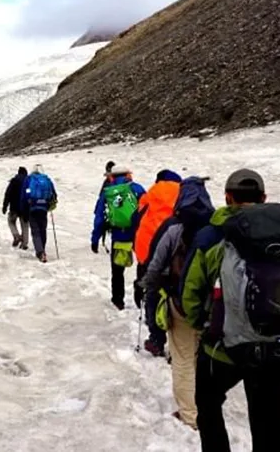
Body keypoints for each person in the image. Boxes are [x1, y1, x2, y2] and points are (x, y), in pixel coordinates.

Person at [181, 168, 280, 452]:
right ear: (263, 198)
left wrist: (204, 324)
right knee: (268, 422)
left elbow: (190, 294)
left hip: (222, 349)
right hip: (278, 348)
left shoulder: (211, 236)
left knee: (208, 404)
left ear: (227, 198)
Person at [139, 175, 215, 430]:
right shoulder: (217, 229)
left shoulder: (175, 227)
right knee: (202, 356)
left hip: (180, 302)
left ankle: (190, 415)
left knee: (182, 358)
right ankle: (206, 407)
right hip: (212, 306)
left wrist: (148, 286)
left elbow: (156, 263)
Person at [135, 169, 182, 357]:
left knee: (153, 292)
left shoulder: (151, 193)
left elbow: (136, 219)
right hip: (178, 252)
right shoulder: (184, 193)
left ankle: (156, 339)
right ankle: (178, 343)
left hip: (150, 249)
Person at [91, 164, 146, 310]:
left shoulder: (108, 192)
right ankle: (140, 294)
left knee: (117, 271)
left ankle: (118, 300)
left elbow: (99, 216)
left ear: (111, 177)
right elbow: (148, 210)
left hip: (118, 235)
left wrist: (95, 239)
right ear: (128, 174)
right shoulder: (137, 189)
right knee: (143, 266)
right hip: (137, 235)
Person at [24, 164, 58, 262]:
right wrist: (50, 203)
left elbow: (25, 193)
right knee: (42, 229)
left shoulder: (29, 179)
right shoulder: (47, 180)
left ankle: (40, 252)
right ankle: (42, 249)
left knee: (35, 231)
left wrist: (26, 205)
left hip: (33, 207)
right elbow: (54, 194)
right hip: (44, 208)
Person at [2, 166, 30, 249]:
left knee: (11, 222)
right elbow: (29, 194)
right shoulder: (28, 182)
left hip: (14, 207)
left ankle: (16, 235)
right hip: (24, 208)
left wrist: (5, 206)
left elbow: (8, 194)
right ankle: (24, 243)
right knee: (25, 225)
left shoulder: (14, 181)